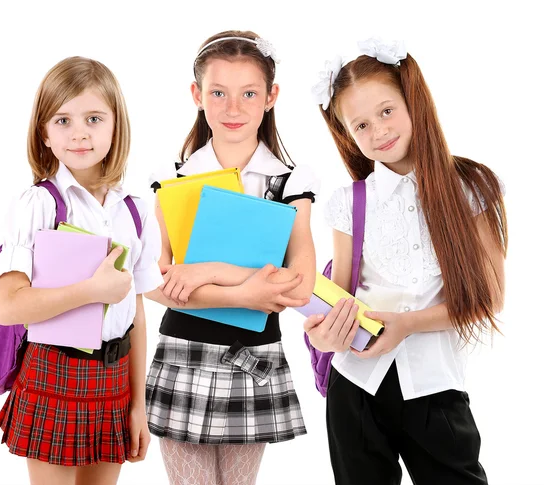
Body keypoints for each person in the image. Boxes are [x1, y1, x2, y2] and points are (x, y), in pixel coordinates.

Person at [304, 38, 507, 485]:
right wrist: (322, 330)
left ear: (412, 100)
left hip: (435, 387)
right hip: (355, 386)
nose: (377, 131)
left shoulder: (471, 189)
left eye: (386, 111)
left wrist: (407, 324)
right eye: (360, 124)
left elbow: (488, 300)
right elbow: (338, 296)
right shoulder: (348, 202)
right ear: (347, 134)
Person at [144, 30, 319, 485]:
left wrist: (208, 271)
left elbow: (300, 284)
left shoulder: (287, 182)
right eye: (218, 93)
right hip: (184, 352)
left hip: (253, 356)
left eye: (248, 93)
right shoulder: (173, 178)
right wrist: (250, 291)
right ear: (197, 95)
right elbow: (156, 281)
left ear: (271, 97)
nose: (233, 108)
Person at [0, 56, 163, 485]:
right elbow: (9, 307)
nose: (80, 132)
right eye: (63, 120)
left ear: (114, 126)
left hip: (115, 380)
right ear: (44, 135)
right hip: (55, 371)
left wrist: (137, 405)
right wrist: (91, 290)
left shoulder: (134, 212)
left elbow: (136, 314)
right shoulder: (41, 204)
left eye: (93, 118)